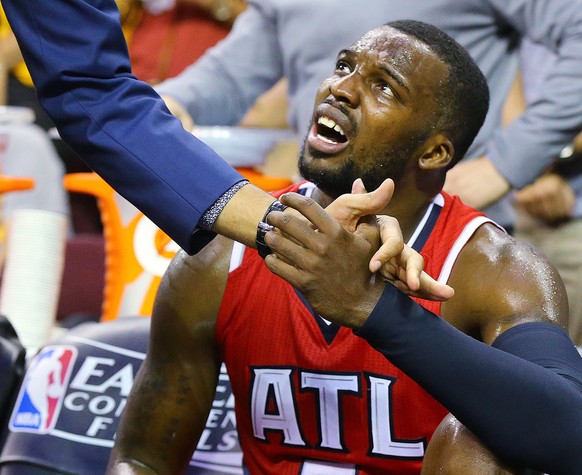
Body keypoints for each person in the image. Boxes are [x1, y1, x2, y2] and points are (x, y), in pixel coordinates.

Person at [106, 21, 582, 474]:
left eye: (384, 87)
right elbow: (143, 459)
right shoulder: (220, 254)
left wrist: (372, 307)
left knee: (480, 435)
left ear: (435, 153)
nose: (341, 88)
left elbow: (570, 431)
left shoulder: (495, 268)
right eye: (343, 66)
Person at [155, 0, 582, 231]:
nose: (341, 88)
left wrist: (506, 164)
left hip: (437, 226)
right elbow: (231, 75)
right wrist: (169, 103)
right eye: (341, 68)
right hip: (317, 222)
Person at [510, 40, 582, 346]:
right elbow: (508, 87)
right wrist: (528, 168)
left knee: (565, 362)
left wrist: (533, 158)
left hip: (574, 223)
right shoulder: (523, 18)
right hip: (513, 210)